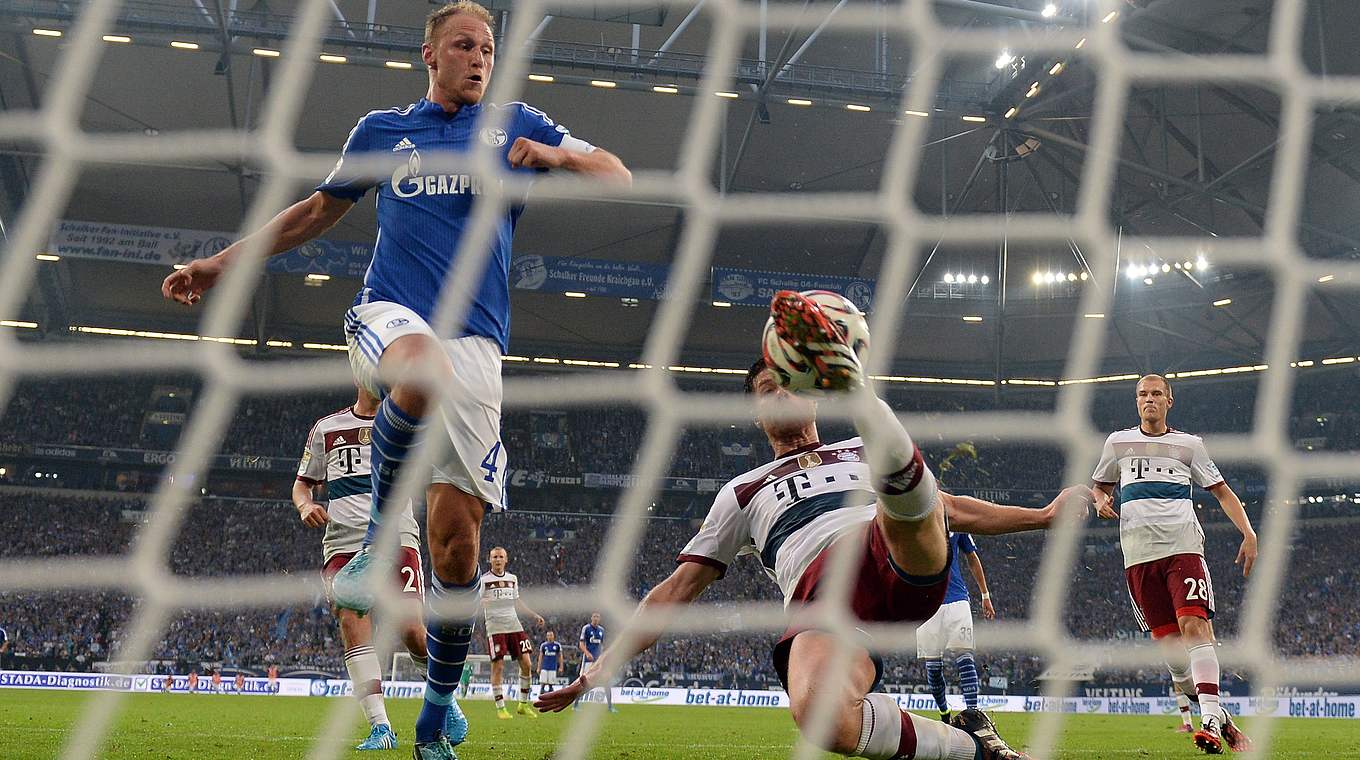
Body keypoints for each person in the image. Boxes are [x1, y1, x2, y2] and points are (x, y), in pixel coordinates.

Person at [161, 3, 629, 757]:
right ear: (430, 55)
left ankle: (434, 716)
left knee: (456, 554)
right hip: (390, 314)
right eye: (463, 46)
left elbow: (616, 173)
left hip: (481, 348)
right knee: (419, 372)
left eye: (487, 47)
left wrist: (554, 158)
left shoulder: (518, 121)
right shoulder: (383, 130)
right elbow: (317, 210)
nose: (479, 58)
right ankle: (379, 544)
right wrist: (222, 263)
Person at [539, 291, 1097, 760]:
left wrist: (1045, 516)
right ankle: (970, 747)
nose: (778, 394)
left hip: (893, 553)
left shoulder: (857, 451)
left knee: (901, 499)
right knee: (821, 718)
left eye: (787, 383)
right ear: (757, 414)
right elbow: (674, 591)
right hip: (820, 601)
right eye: (765, 391)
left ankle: (861, 395)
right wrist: (596, 671)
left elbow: (948, 508)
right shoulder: (742, 491)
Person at [1092, 374, 1256, 754]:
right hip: (1137, 557)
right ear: (1136, 402)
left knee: (1194, 626)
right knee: (1173, 655)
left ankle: (1211, 719)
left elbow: (1222, 491)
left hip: (1183, 548)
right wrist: (1099, 500)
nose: (1149, 400)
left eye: (1156, 394)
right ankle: (1222, 717)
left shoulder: (1189, 445)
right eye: (1142, 395)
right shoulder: (1117, 443)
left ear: (1169, 401)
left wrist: (1248, 532)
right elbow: (1100, 486)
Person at [296, 388, 453, 751]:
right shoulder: (327, 428)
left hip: (396, 537)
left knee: (412, 629)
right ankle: (381, 727)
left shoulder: (413, 426)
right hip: (342, 544)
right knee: (351, 621)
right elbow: (303, 483)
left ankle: (446, 705)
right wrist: (305, 506)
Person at [916, 532, 993, 722]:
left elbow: (972, 557)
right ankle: (944, 714)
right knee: (933, 668)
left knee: (965, 659)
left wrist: (985, 595)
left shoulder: (956, 521)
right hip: (925, 602)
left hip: (957, 600)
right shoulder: (915, 520)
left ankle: (973, 715)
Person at [478, 547, 544, 719]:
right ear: (489, 560)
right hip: (495, 627)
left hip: (514, 625)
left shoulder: (512, 579)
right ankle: (501, 707)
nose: (498, 560)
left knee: (527, 664)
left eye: (501, 557)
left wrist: (533, 615)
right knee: (498, 666)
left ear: (506, 559)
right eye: (494, 557)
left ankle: (523, 704)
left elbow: (517, 601)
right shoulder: (483, 580)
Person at [572, 613, 614, 712]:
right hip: (588, 661)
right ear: (591, 618)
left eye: (598, 617)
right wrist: (587, 653)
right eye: (594, 617)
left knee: (606, 682)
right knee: (582, 682)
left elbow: (602, 645)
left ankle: (610, 707)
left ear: (600, 619)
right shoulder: (586, 628)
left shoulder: (601, 630)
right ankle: (576, 705)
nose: (596, 618)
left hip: (598, 662)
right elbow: (581, 644)